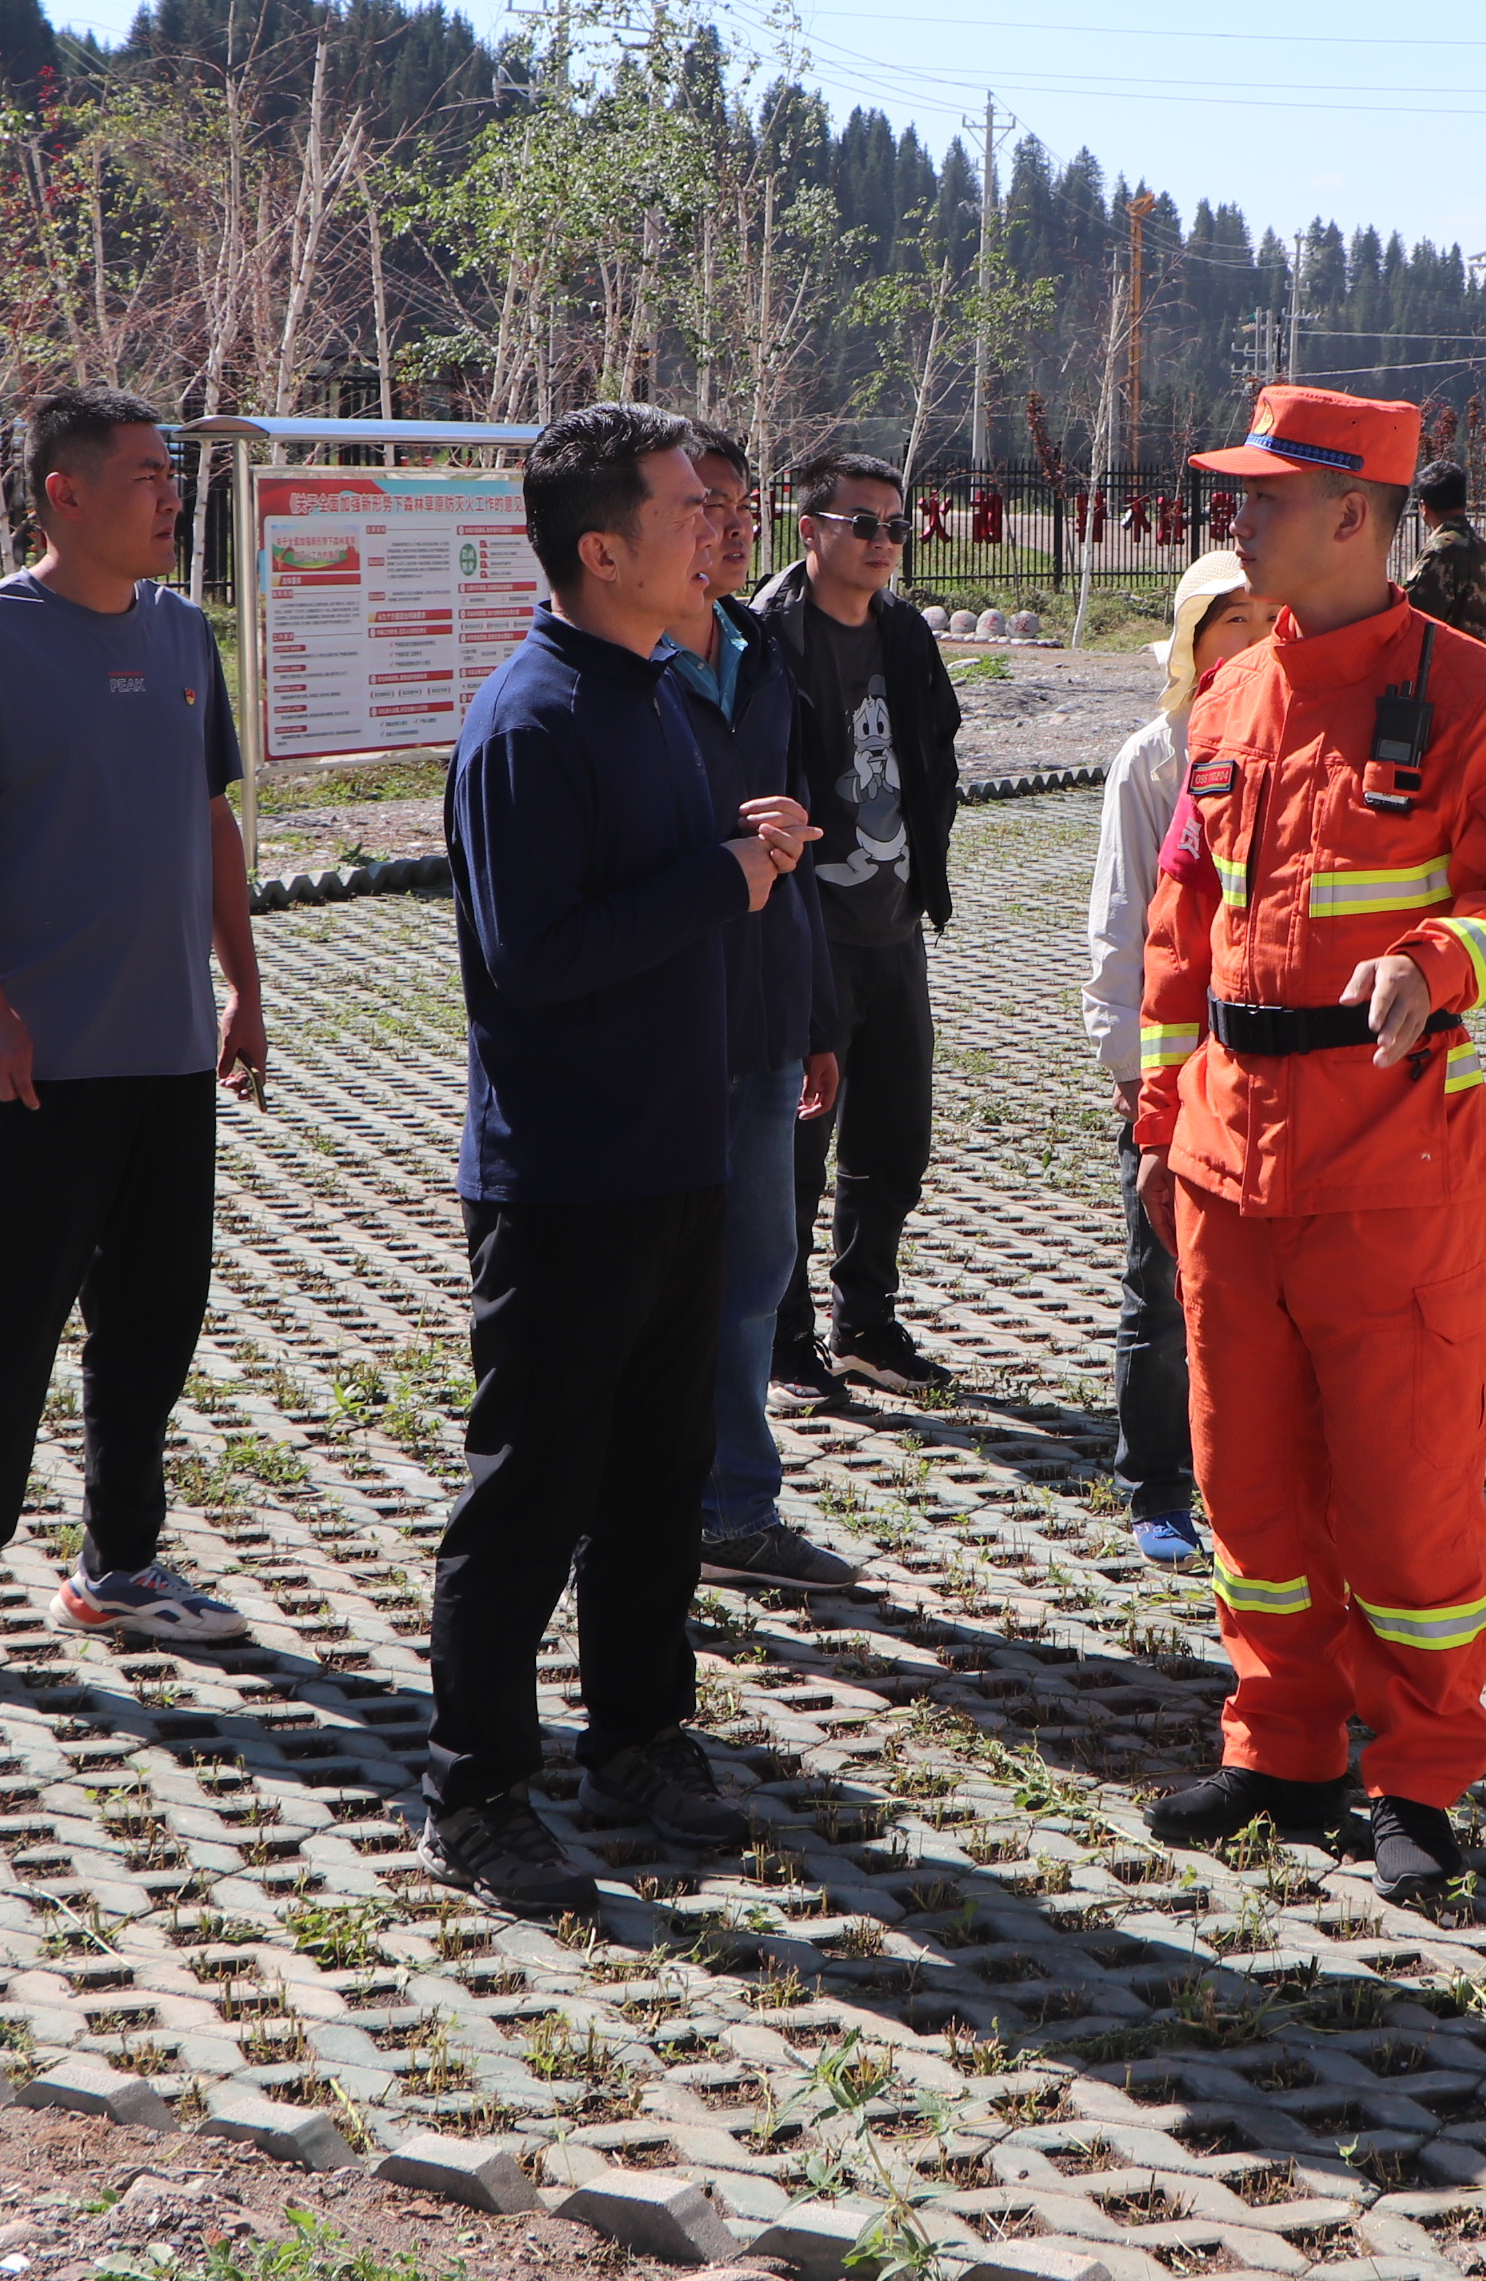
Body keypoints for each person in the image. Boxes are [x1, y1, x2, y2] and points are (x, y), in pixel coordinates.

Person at [1132, 385, 1486, 1908]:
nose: (1235, 518)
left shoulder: (1474, 699)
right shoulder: (1227, 698)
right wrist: (1157, 1122)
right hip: (1226, 1164)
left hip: (1389, 1168)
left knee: (1405, 1495)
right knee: (1249, 1486)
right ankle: (1281, 1743)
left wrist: (1448, 958)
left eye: (1263, 497)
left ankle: (1418, 1773)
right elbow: (1180, 926)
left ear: (1353, 516)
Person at [428, 400, 815, 1913]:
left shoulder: (656, 691)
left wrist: (749, 858)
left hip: (676, 1155)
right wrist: (722, 876)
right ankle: (478, 1785)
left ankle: (641, 1739)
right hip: (566, 1174)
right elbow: (536, 955)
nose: (714, 524)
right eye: (680, 506)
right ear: (602, 548)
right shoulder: (529, 719)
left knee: (657, 1480)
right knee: (534, 1488)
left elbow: (666, 890)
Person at [0, 389, 265, 1699]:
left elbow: (208, 816)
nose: (173, 497)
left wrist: (245, 986)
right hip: (34, 1071)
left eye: (174, 476)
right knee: (3, 1331)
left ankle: (120, 1567)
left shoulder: (177, 632)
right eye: (152, 476)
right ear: (67, 492)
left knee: (153, 1325)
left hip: (166, 1057)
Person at [672, 424, 864, 1594]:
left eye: (745, 505)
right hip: (655, 1036)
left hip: (762, 1022)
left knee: (754, 1275)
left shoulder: (757, 649)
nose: (735, 526)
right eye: (710, 505)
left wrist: (820, 1017)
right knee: (655, 1293)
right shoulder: (615, 670)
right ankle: (632, 1517)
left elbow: (804, 853)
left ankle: (736, 1505)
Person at [753, 452, 964, 1401]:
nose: (883, 542)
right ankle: (782, 1333)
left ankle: (866, 1324)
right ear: (812, 530)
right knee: (796, 1146)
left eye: (894, 525)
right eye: (862, 523)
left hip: (892, 924)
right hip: (806, 932)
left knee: (893, 1139)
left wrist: (925, 869)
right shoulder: (765, 640)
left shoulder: (907, 635)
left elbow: (937, 754)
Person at [1081, 551, 1276, 1570]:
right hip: (1176, 1070)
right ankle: (1154, 1482)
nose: (1248, 637)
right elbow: (1124, 928)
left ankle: (1245, 1478)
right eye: (1228, 618)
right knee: (1161, 1286)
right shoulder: (1156, 759)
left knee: (1261, 1293)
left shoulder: (1295, 745)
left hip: (1275, 1077)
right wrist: (1131, 1072)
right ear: (1194, 640)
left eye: (1262, 615)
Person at [1399, 458, 1486, 644]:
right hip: (1483, 661)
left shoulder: (1440, 550)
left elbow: (1415, 617)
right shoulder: (1485, 549)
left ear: (1424, 507)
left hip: (1448, 664)